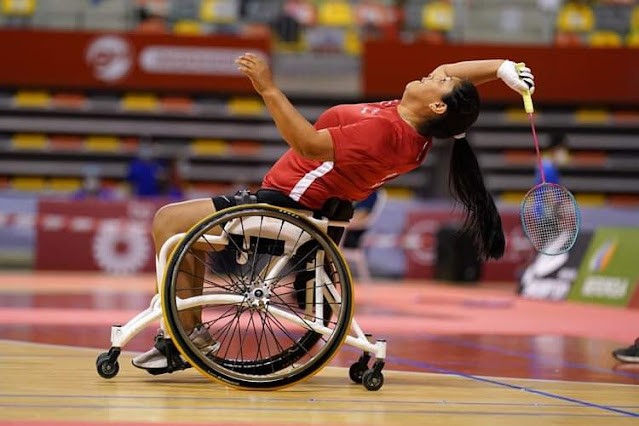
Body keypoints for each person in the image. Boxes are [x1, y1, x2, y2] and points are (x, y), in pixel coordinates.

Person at [131, 54, 536, 373]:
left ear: (436, 105)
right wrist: (502, 68)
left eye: (440, 83)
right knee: (185, 236)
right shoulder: (410, 125)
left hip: (287, 208)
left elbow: (306, 144)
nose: (435, 74)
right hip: (298, 207)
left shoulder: (386, 133)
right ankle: (185, 334)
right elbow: (448, 70)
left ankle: (181, 337)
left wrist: (267, 88)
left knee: (168, 222)